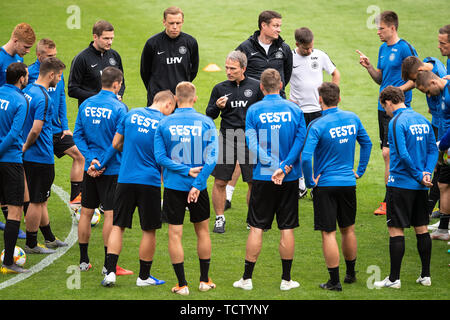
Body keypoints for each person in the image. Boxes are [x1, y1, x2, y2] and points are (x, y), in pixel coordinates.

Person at [233, 68, 306, 291]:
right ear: (282, 85)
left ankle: (246, 279)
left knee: (256, 227)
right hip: (289, 176)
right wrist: (283, 168)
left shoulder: (254, 110)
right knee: (287, 228)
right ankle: (286, 280)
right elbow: (300, 141)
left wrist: (271, 166)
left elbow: (252, 144)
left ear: (261, 88)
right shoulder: (294, 109)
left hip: (263, 176)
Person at [301, 82, 372, 291]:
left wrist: (310, 182)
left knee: (328, 232)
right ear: (339, 99)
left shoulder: (316, 125)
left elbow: (306, 158)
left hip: (326, 185)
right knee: (348, 229)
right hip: (348, 183)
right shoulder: (352, 118)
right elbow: (366, 143)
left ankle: (334, 281)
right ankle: (350, 273)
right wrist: (359, 170)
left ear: (320, 101)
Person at [101, 90, 176, 287]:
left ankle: (109, 272)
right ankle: (144, 277)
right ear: (167, 104)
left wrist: (132, 152)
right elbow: (166, 157)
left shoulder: (131, 113)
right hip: (149, 181)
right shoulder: (165, 123)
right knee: (149, 230)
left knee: (118, 225)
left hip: (125, 178)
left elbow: (116, 143)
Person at [154, 81, 218, 296]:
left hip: (173, 186)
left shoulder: (164, 123)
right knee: (202, 232)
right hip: (198, 188)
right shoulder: (206, 122)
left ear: (174, 101)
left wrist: (183, 170)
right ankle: (204, 280)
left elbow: (160, 157)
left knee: (175, 233)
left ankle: (182, 285)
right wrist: (198, 183)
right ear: (195, 98)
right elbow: (212, 159)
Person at [373, 86, 438, 289]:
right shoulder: (421, 119)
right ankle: (425, 275)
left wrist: (419, 176)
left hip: (401, 183)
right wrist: (426, 173)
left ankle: (394, 279)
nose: (385, 111)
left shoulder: (395, 122)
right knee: (421, 229)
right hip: (421, 186)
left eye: (385, 107)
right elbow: (432, 149)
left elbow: (402, 154)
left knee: (395, 230)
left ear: (389, 102)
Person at [356, 10, 418, 215]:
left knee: (388, 153)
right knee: (388, 154)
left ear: (392, 27)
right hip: (382, 108)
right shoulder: (383, 48)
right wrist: (369, 67)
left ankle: (389, 200)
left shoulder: (405, 48)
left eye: (381, 28)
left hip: (399, 109)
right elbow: (380, 78)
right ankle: (393, 198)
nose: (378, 32)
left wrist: (398, 92)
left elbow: (417, 78)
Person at [73, 67, 132, 275]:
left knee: (87, 212)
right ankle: (109, 266)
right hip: (112, 169)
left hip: (90, 170)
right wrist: (102, 163)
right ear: (117, 84)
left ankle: (83, 260)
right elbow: (118, 142)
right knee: (110, 215)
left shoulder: (87, 104)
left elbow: (77, 135)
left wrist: (91, 161)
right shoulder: (119, 108)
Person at [206, 50, 263, 233]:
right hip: (227, 138)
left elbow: (263, 112)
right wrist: (217, 106)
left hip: (250, 139)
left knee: (253, 182)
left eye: (233, 68)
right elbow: (210, 114)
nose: (228, 72)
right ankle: (219, 218)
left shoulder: (256, 87)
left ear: (243, 68)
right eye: (227, 68)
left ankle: (252, 218)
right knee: (220, 181)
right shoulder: (220, 88)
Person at [28, 39, 85, 211]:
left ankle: (76, 202)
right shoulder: (29, 74)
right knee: (39, 174)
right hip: (39, 132)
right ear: (39, 55)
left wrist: (65, 126)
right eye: (49, 56)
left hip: (57, 130)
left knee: (79, 156)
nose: (53, 58)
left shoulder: (57, 72)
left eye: (55, 55)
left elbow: (61, 99)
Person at [22, 57, 67, 254]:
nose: (59, 79)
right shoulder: (44, 98)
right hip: (40, 155)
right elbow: (36, 129)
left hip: (29, 156)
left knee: (41, 199)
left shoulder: (28, 91)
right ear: (51, 75)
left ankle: (48, 237)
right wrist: (26, 146)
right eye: (59, 76)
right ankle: (32, 244)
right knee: (36, 200)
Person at [289, 27, 341, 199]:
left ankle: (317, 183)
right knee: (300, 148)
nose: (309, 50)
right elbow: (281, 79)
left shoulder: (320, 55)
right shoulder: (290, 57)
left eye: (311, 46)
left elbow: (335, 73)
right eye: (306, 48)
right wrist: (287, 100)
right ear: (297, 44)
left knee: (321, 148)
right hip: (299, 112)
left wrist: (333, 95)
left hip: (320, 111)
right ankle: (302, 183)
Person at [401, 56, 447, 218]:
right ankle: (437, 212)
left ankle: (432, 210)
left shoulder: (440, 82)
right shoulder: (431, 66)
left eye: (426, 91)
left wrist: (442, 142)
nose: (427, 96)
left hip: (442, 129)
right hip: (439, 126)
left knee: (441, 170)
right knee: (440, 171)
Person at [0, 23, 35, 236]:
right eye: (25, 46)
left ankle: (8, 221)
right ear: (15, 41)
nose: (27, 51)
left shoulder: (19, 60)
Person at [0, 63, 30, 273]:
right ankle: (8, 262)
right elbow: (13, 134)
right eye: (27, 76)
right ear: (21, 78)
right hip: (10, 160)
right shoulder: (21, 100)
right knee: (15, 211)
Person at [415, 71, 450, 242]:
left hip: (446, 145)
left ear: (433, 82)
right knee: (443, 184)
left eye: (427, 91)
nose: (428, 96)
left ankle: (444, 228)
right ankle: (444, 228)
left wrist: (441, 146)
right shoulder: (443, 93)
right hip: (446, 146)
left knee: (444, 184)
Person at [140, 6, 199, 106]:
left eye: (178, 23)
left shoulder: (190, 42)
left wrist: (182, 88)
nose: (175, 27)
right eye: (171, 23)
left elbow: (193, 70)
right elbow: (145, 72)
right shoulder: (152, 43)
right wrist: (154, 90)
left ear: (182, 22)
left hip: (181, 99)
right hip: (158, 98)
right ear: (164, 22)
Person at [68, 20, 125, 107]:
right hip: (90, 111)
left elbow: (122, 82)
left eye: (112, 38)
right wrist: (99, 97)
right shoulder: (81, 58)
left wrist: (119, 95)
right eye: (106, 38)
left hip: (112, 109)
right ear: (95, 37)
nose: (110, 42)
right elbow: (72, 90)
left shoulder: (115, 56)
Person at [236, 10, 292, 98]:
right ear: (264, 25)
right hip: (252, 99)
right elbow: (236, 72)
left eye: (280, 26)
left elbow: (287, 73)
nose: (279, 30)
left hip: (277, 98)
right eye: (275, 26)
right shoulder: (245, 48)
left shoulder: (284, 48)